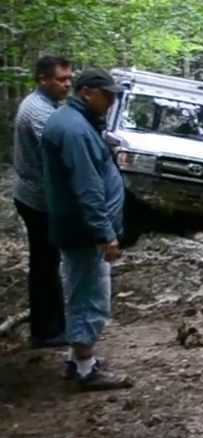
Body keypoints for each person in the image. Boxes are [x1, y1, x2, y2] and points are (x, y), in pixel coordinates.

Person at [41, 68, 132, 390]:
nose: (112, 102)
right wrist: (104, 234)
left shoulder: (74, 121)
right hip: (82, 228)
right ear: (87, 92)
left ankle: (76, 359)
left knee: (81, 288)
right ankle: (85, 369)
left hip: (76, 224)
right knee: (89, 294)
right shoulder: (74, 129)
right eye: (108, 95)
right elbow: (88, 188)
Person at [12, 55, 73, 349]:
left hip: (36, 196)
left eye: (69, 78)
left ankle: (50, 326)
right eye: (62, 79)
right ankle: (46, 331)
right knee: (45, 265)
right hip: (37, 200)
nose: (67, 84)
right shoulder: (38, 112)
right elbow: (61, 150)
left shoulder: (47, 106)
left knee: (46, 263)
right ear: (43, 80)